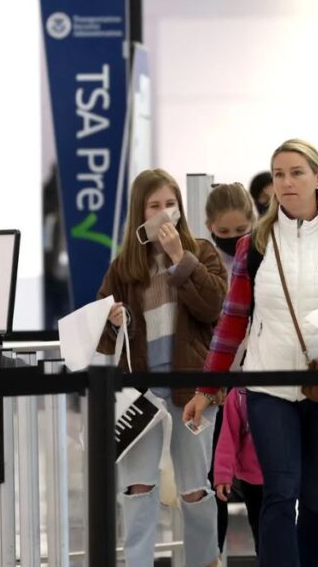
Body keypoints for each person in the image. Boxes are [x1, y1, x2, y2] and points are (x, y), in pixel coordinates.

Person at [184, 139, 318, 567]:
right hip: (268, 386)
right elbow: (232, 322)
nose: (286, 182)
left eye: (296, 173)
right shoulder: (254, 245)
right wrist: (206, 388)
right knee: (279, 490)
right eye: (279, 174)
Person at [96, 168, 229, 567]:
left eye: (170, 204)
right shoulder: (124, 268)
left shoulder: (201, 252)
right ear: (140, 212)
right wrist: (114, 320)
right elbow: (101, 336)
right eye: (154, 206)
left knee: (194, 488)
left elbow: (214, 307)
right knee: (137, 487)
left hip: (193, 390)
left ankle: (204, 560)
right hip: (141, 394)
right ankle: (137, 562)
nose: (163, 213)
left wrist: (178, 259)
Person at [203, 182, 257, 554]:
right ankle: (213, 558)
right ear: (209, 227)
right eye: (223, 233)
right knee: (214, 481)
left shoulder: (264, 257)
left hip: (255, 382)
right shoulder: (207, 266)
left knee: (259, 482)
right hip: (217, 384)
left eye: (240, 232)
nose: (232, 240)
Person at [213, 387, 263, 556]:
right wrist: (222, 474)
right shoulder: (239, 394)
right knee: (261, 533)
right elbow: (228, 437)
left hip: (284, 476)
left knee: (282, 528)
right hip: (252, 480)